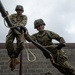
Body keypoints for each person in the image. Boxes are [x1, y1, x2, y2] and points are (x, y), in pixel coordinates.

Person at [6, 5, 27, 71]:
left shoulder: (24, 16)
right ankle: (12, 57)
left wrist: (17, 26)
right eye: (18, 10)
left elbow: (23, 23)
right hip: (12, 30)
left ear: (22, 11)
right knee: (8, 41)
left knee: (21, 44)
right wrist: (5, 15)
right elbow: (7, 19)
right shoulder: (12, 16)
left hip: (20, 31)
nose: (19, 11)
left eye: (20, 10)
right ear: (16, 10)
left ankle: (15, 56)